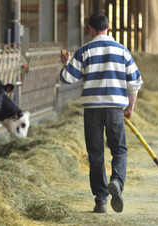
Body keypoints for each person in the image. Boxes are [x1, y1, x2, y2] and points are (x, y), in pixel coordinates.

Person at [59, 13, 143, 213]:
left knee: (96, 153)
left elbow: (68, 79)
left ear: (89, 29)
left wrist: (65, 62)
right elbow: (135, 83)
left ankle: (101, 200)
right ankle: (116, 181)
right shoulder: (123, 51)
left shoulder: (84, 51)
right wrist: (130, 107)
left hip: (92, 109)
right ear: (108, 27)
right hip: (115, 109)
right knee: (119, 150)